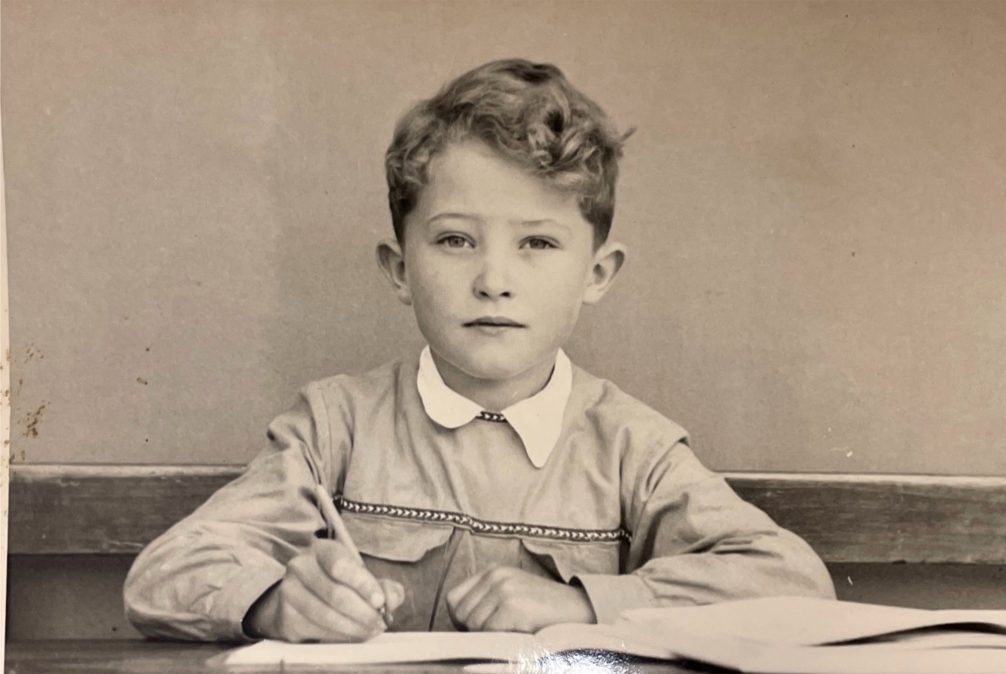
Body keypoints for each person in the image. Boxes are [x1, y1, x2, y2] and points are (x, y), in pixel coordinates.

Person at [123, 58, 835, 643]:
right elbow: (165, 574)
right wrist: (276, 603)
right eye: (456, 240)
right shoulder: (334, 427)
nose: (494, 280)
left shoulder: (632, 450)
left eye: (538, 243)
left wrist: (585, 607)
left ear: (597, 273)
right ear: (400, 269)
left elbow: (793, 581)